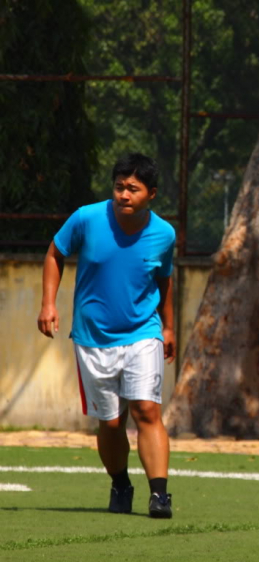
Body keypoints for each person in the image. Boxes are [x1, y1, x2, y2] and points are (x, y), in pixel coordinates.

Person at [37, 153, 176, 518]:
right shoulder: (86, 218)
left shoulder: (164, 233)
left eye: (133, 189)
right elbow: (55, 253)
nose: (124, 195)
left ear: (152, 194)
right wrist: (48, 304)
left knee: (147, 410)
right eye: (119, 187)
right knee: (112, 423)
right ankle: (120, 483)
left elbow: (164, 280)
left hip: (143, 332)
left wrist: (170, 325)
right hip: (92, 337)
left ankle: (159, 495)